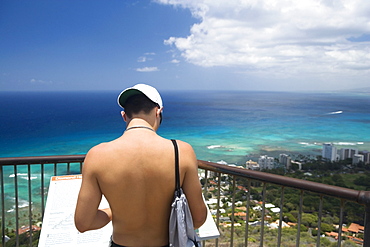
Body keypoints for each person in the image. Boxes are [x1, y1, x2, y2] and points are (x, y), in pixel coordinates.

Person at [74, 84, 207, 247]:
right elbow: (199, 218)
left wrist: (113, 213)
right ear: (158, 111)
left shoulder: (97, 155)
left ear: (124, 116)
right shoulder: (181, 151)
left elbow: (83, 223)